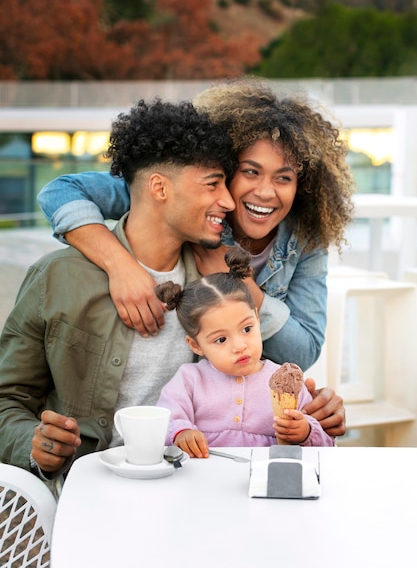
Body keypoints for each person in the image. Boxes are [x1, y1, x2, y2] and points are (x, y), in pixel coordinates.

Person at [37, 78, 354, 436]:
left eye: (284, 177)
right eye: (250, 171)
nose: (265, 192)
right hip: (188, 411)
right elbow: (60, 191)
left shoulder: (305, 237)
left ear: (303, 185)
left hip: (244, 414)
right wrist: (119, 266)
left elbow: (303, 351)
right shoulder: (186, 204)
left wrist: (242, 285)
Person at [0, 98, 237, 485]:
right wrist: (33, 442)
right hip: (86, 490)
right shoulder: (56, 277)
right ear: (159, 187)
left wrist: (309, 412)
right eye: (213, 183)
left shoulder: (217, 286)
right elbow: (7, 398)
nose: (228, 200)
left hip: (193, 484)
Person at [155, 245, 334, 458]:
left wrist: (304, 432)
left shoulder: (283, 381)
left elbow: (327, 446)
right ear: (196, 345)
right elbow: (163, 421)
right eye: (221, 339)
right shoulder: (190, 380)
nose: (240, 345)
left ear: (257, 319)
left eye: (247, 329)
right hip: (206, 478)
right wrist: (181, 433)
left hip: (267, 477)